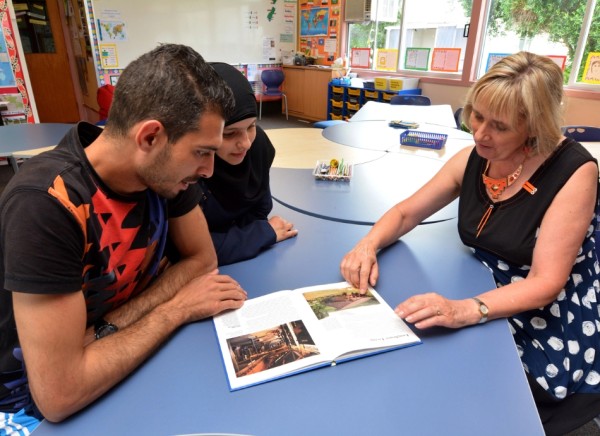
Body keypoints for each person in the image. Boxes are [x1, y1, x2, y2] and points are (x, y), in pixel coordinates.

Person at [340, 51, 600, 435]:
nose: (480, 133)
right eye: (476, 115)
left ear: (533, 126)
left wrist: (464, 310)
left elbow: (546, 283)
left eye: (499, 126)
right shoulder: (474, 156)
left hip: (549, 306)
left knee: (479, 393)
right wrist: (367, 244)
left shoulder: (574, 173)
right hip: (485, 282)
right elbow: (406, 213)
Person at [0, 44, 248, 433]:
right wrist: (175, 309)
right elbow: (59, 396)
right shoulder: (45, 204)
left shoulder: (166, 173)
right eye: (202, 152)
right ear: (150, 137)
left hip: (120, 356)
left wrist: (107, 329)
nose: (209, 170)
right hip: (29, 405)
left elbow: (203, 261)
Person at [198, 62, 297, 265]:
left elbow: (260, 211)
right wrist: (260, 234)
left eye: (251, 126)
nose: (245, 143)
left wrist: (236, 238)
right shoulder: (191, 166)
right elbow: (189, 250)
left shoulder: (258, 144)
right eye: (229, 133)